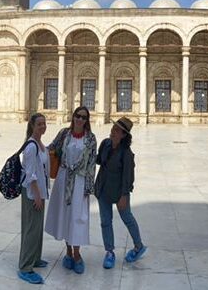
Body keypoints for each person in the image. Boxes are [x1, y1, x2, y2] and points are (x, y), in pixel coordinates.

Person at [45, 106, 97, 274]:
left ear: (87, 120)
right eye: (77, 116)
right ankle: (68, 252)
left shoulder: (90, 139)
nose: (80, 119)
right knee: (65, 215)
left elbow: (91, 164)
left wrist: (89, 187)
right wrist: (33, 145)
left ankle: (77, 254)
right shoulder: (64, 134)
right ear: (73, 117)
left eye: (83, 117)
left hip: (80, 181)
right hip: (63, 178)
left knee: (77, 217)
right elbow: (51, 148)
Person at [95, 117, 146, 269]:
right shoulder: (105, 144)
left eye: (117, 130)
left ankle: (138, 246)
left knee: (127, 218)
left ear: (123, 135)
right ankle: (109, 252)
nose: (113, 131)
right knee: (105, 221)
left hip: (119, 191)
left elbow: (129, 177)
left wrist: (124, 195)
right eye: (113, 128)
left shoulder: (126, 154)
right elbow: (98, 160)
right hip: (103, 188)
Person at [17, 112, 49, 285]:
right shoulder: (30, 146)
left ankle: (35, 258)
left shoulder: (40, 143)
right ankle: (25, 267)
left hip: (40, 193)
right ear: (32, 126)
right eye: (39, 124)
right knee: (31, 229)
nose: (43, 127)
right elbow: (30, 175)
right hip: (32, 194)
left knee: (36, 228)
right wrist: (37, 196)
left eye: (44, 123)